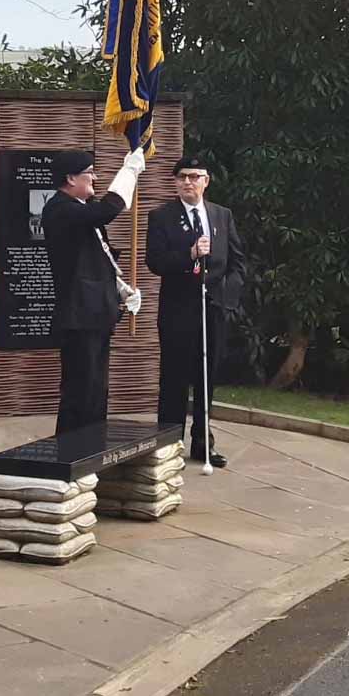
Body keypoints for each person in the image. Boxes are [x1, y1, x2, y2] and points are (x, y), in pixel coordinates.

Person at [146, 156, 246, 468]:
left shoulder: (221, 215)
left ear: (206, 181)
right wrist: (188, 255)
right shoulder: (162, 216)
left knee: (207, 377)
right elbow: (155, 262)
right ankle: (168, 444)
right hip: (178, 308)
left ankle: (203, 443)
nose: (188, 182)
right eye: (182, 177)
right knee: (174, 377)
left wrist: (225, 298)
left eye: (195, 176)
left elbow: (237, 263)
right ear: (175, 182)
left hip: (213, 308)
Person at [42, 148, 146, 434]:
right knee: (81, 388)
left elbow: (95, 259)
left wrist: (121, 290)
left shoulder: (80, 210)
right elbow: (108, 211)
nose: (94, 178)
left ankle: (91, 446)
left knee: (97, 389)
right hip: (79, 316)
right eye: (89, 173)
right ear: (70, 178)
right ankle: (70, 449)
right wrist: (128, 173)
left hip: (97, 313)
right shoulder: (61, 209)